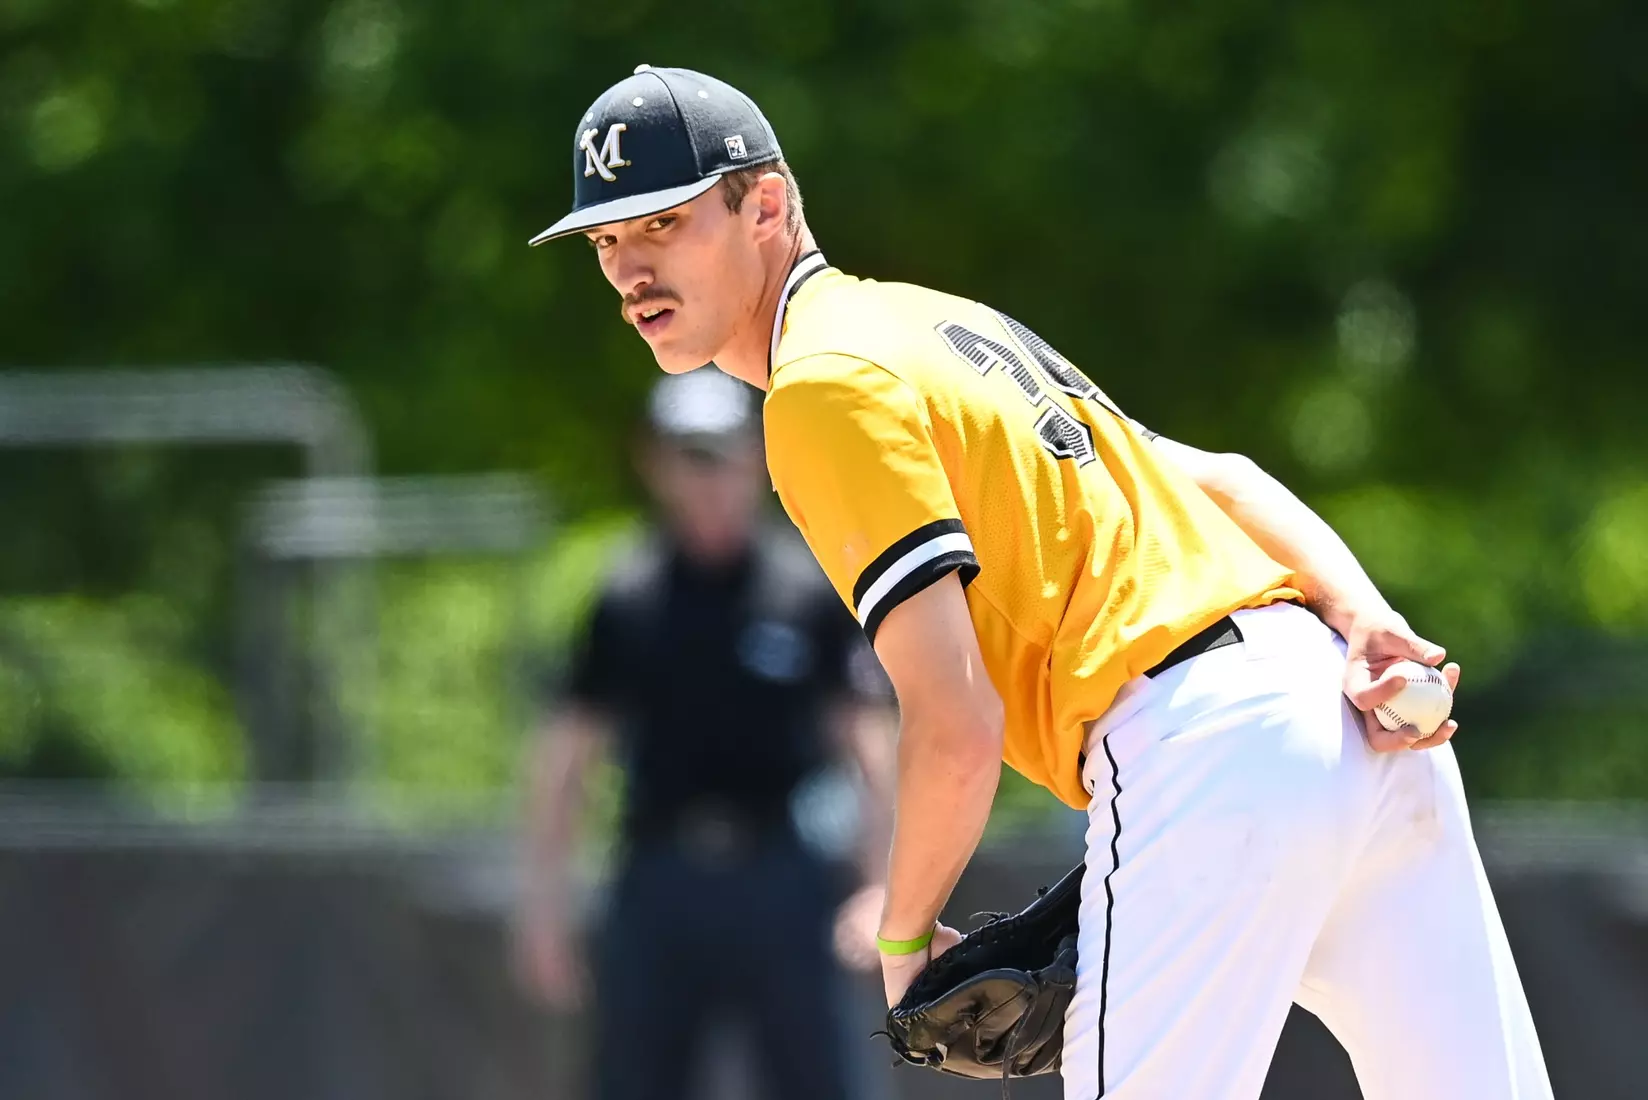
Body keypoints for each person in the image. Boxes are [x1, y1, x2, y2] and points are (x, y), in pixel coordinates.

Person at [528, 65, 1556, 1100]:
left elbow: (956, 721)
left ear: (766, 206)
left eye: (662, 223)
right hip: (1345, 713)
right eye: (606, 241)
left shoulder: (820, 386)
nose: (629, 269)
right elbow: (1219, 477)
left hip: (1206, 743)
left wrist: (903, 934)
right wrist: (1364, 616)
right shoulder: (929, 322)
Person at [514, 368, 898, 1100]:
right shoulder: (627, 596)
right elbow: (566, 758)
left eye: (724, 454)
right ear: (656, 464)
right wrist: (544, 908)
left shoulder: (804, 588)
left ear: (756, 458)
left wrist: (883, 886)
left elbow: (870, 743)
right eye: (691, 457)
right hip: (660, 874)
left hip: (783, 873)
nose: (709, 478)